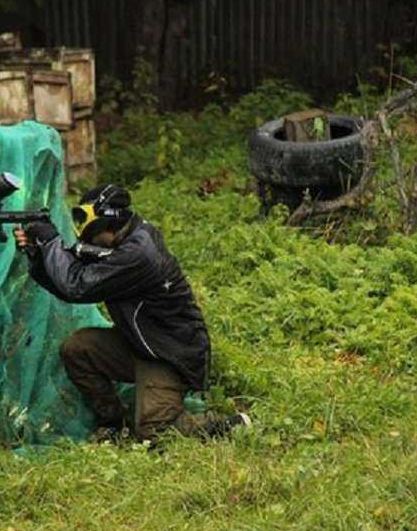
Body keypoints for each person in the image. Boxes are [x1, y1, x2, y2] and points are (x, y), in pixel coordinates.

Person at [13, 183, 250, 443]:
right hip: (139, 343)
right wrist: (39, 257)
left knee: (153, 432)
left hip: (170, 352)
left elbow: (77, 286)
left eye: (85, 223)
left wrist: (52, 243)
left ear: (106, 221)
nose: (82, 235)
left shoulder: (138, 253)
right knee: (78, 349)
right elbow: (70, 286)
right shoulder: (125, 241)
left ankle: (229, 425)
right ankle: (113, 424)